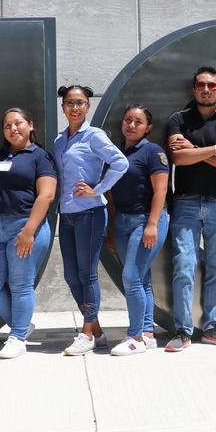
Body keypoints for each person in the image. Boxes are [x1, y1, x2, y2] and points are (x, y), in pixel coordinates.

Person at [165, 66, 216, 352]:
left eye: (212, 85)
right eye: (201, 85)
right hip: (185, 202)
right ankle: (183, 331)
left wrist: (196, 150)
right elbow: (178, 158)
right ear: (194, 89)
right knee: (183, 268)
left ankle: (211, 328)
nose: (206, 89)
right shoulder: (178, 119)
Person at [0, 108, 57, 359]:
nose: (13, 128)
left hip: (26, 226)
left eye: (18, 123)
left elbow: (47, 195)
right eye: (8, 125)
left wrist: (29, 231)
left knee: (22, 285)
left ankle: (18, 337)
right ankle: (21, 325)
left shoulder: (40, 156)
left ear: (30, 125)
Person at [54, 85, 128, 356]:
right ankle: (96, 330)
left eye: (80, 103)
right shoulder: (59, 141)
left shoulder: (95, 136)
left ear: (87, 107)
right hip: (67, 214)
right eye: (69, 103)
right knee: (71, 275)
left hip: (91, 213)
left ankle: (86, 333)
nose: (74, 107)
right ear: (63, 107)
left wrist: (97, 188)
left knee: (87, 274)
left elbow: (121, 163)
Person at [105, 105, 170, 356]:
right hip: (121, 221)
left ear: (148, 128)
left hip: (146, 221)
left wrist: (152, 225)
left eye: (138, 122)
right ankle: (147, 332)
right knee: (141, 279)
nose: (131, 125)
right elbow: (109, 192)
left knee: (131, 277)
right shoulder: (116, 152)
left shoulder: (153, 152)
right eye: (128, 120)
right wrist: (111, 228)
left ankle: (134, 338)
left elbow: (161, 191)